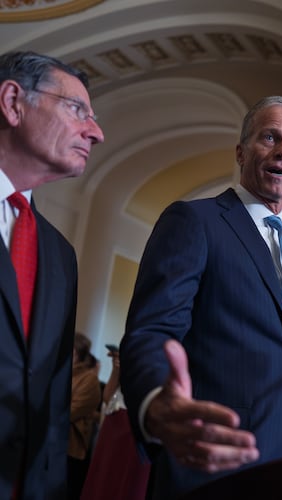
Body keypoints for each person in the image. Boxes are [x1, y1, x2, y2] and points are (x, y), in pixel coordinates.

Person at [120, 95, 282, 499]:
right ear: (241, 151)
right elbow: (154, 331)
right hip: (215, 465)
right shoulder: (195, 221)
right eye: (270, 137)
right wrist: (157, 403)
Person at [0, 51, 103, 499]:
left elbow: (56, 398)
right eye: (77, 109)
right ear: (12, 102)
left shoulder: (60, 255)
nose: (96, 132)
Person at [81, 346, 150, 500]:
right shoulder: (132, 346)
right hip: (113, 421)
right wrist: (117, 368)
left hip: (134, 425)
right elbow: (108, 397)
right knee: (101, 480)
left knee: (123, 485)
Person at [67, 333, 101, 500]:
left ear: (78, 354)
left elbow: (70, 412)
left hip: (72, 450)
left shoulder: (89, 379)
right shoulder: (63, 373)